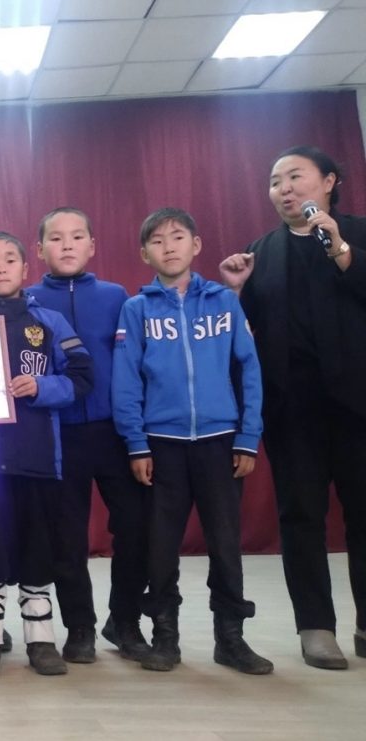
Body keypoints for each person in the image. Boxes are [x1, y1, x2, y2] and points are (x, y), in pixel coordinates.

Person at [220, 146, 366, 670]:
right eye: (274, 181)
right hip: (293, 411)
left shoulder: (357, 234)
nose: (283, 188)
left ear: (329, 181)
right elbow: (241, 338)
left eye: (295, 177)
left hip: (358, 406)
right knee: (301, 516)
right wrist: (236, 293)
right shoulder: (260, 252)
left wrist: (342, 251)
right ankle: (315, 627)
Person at [114, 207, 272, 675]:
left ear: (196, 245)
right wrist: (136, 443)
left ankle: (231, 638)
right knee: (161, 547)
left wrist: (248, 436)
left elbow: (249, 369)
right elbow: (126, 381)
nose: (169, 246)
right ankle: (165, 637)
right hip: (162, 445)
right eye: (157, 240)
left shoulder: (224, 302)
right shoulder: (136, 309)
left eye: (178, 236)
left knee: (225, 543)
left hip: (220, 442)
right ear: (144, 254)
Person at [0, 231, 94, 678]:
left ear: (25, 268)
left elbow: (82, 378)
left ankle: (41, 640)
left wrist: (41, 386)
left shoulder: (49, 322)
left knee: (38, 552)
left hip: (37, 460)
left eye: (9, 259)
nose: (0, 267)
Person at [28, 207, 151, 664]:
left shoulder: (118, 297)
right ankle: (79, 626)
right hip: (56, 433)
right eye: (56, 237)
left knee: (135, 527)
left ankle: (125, 620)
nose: (66, 245)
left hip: (114, 430)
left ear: (92, 245)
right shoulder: (28, 301)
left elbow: (137, 361)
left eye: (77, 236)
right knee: (66, 536)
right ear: (39, 249)